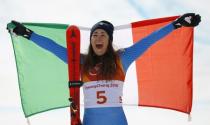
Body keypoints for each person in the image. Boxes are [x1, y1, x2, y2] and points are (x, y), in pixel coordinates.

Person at [9, 13, 201, 125]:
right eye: (94, 35)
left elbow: (149, 41)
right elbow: (52, 47)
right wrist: (26, 33)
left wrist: (176, 24)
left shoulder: (122, 59)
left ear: (109, 41)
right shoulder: (80, 62)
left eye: (102, 35)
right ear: (90, 40)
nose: (98, 38)